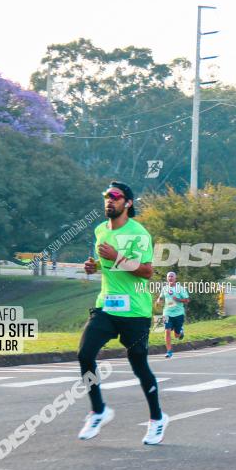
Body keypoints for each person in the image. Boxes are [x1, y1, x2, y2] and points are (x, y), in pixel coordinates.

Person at [77, 181, 169, 444]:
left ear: (128, 203)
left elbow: (147, 271)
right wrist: (91, 267)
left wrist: (117, 256)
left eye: (115, 197)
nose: (109, 201)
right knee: (85, 354)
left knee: (139, 364)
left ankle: (157, 419)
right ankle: (98, 410)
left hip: (136, 310)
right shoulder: (100, 230)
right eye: (106, 197)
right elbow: (103, 266)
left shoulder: (139, 233)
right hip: (107, 305)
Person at [155, 271, 190, 359]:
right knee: (167, 331)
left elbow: (187, 300)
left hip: (178, 313)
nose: (170, 278)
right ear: (167, 278)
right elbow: (161, 297)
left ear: (175, 278)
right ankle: (169, 352)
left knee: (176, 335)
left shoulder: (180, 289)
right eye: (169, 276)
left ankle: (180, 331)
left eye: (172, 276)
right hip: (167, 313)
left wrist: (178, 299)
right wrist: (158, 301)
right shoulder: (165, 288)